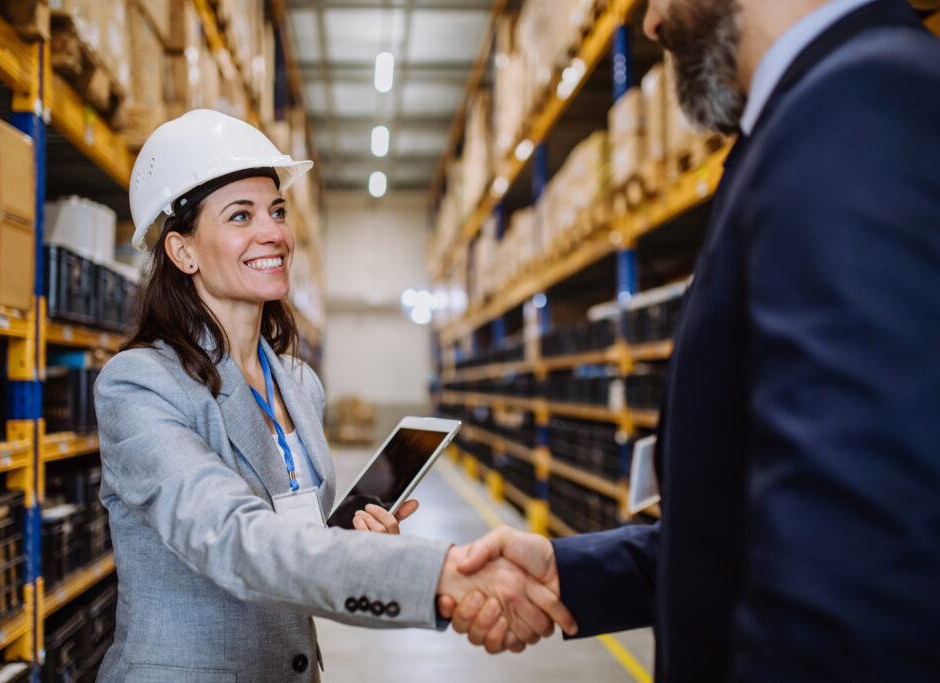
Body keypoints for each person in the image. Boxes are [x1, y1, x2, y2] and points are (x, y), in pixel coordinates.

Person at [441, 0, 940, 679]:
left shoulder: (852, 118)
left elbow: (857, 571)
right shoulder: (816, 121)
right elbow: (745, 522)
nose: (649, 23)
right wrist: (569, 571)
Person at [94, 110, 577, 682]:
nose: (272, 232)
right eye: (240, 216)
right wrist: (435, 574)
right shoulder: (140, 384)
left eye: (276, 211)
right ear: (183, 252)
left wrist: (355, 543)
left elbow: (299, 544)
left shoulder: (299, 384)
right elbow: (229, 536)